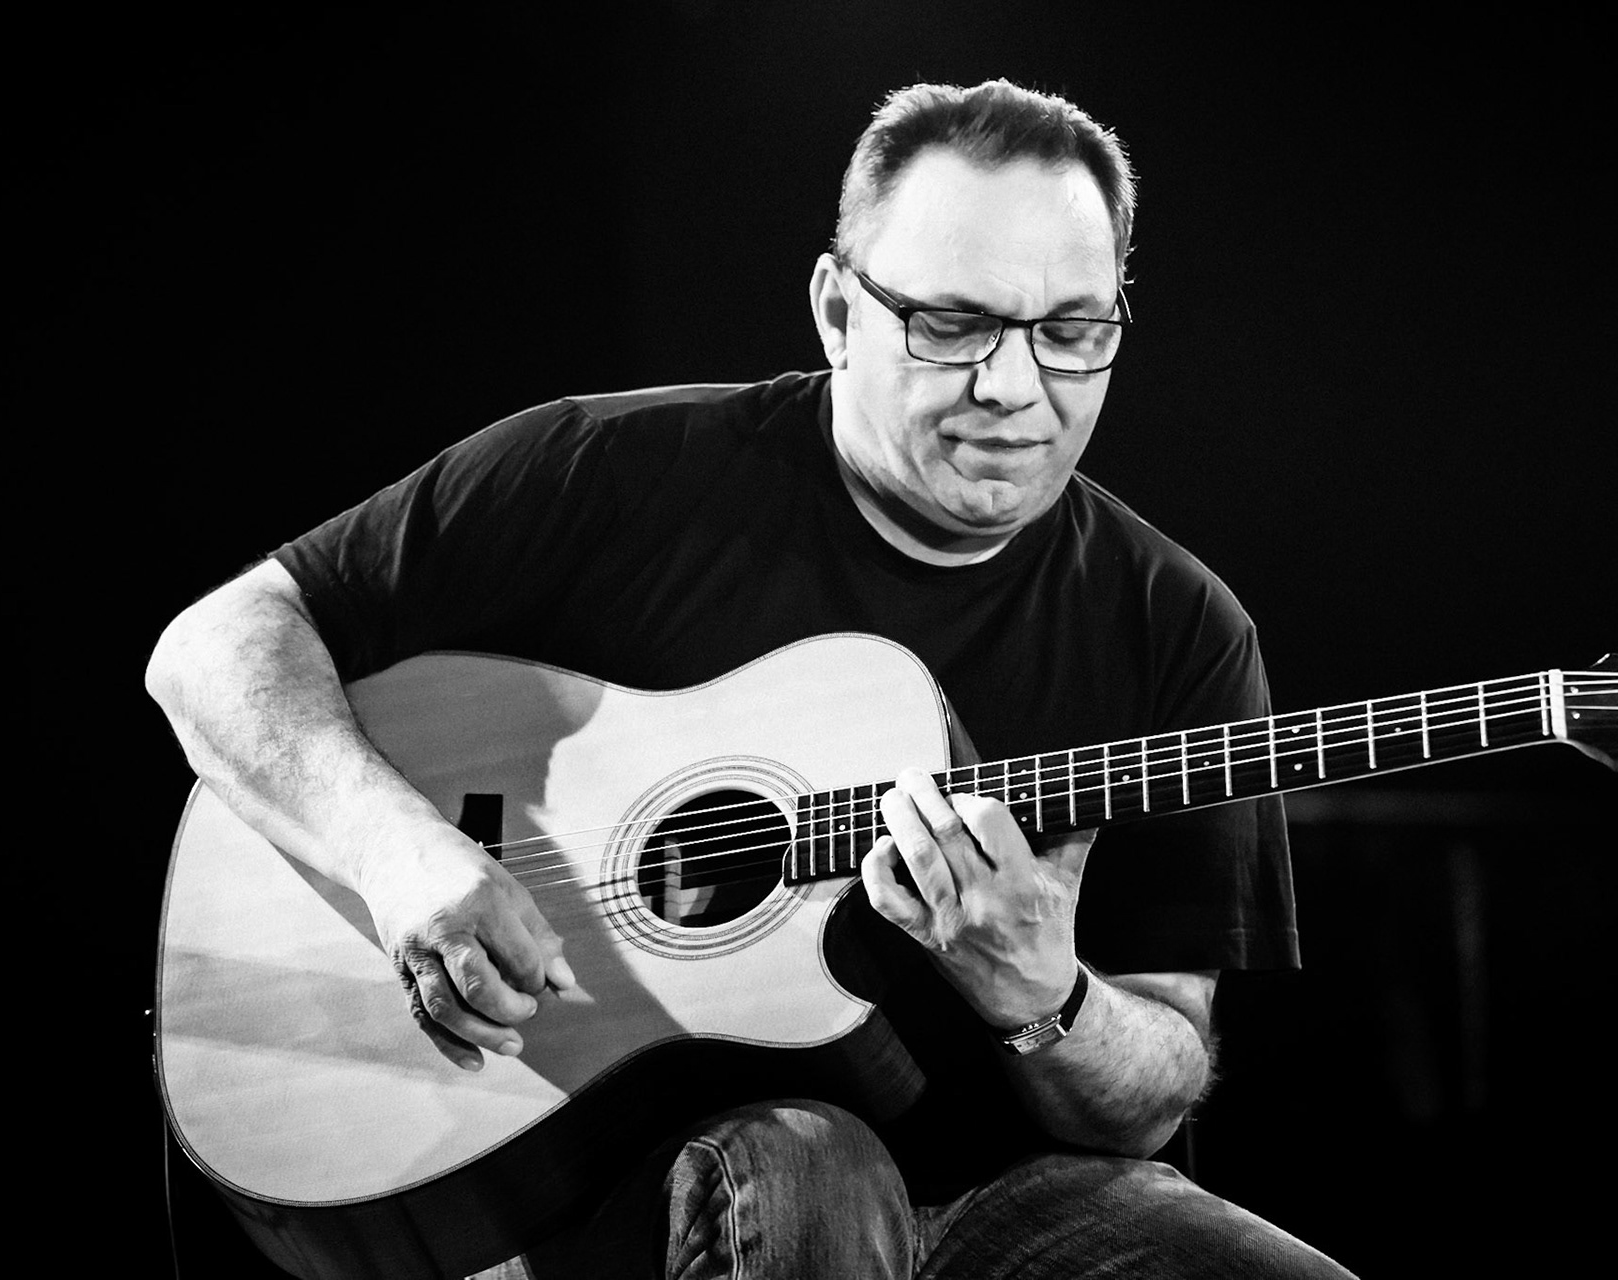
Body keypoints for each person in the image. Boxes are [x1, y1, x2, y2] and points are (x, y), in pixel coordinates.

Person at [145, 79, 1358, 1279]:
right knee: (812, 1168)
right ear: (837, 311)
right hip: (620, 1180)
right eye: (951, 324)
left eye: (1071, 330)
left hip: (1009, 1202)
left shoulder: (1180, 625)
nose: (1013, 384)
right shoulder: (609, 474)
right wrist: (398, 849)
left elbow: (1148, 1097)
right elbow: (212, 647)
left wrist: (1045, 995)